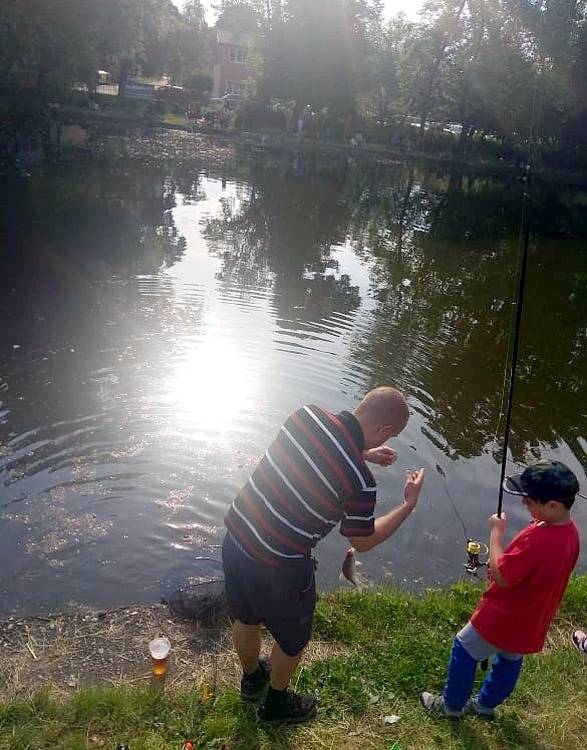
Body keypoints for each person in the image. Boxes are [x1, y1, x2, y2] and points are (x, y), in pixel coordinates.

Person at [222, 387, 425, 724]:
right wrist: (408, 504)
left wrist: (364, 454)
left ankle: (251, 679)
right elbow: (362, 541)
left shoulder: (304, 416)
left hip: (238, 537)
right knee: (292, 642)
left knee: (246, 618)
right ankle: (275, 706)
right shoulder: (360, 481)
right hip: (280, 566)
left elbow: (315, 458)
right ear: (385, 432)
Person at [421, 459, 580, 719]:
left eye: (529, 500)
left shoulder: (540, 539)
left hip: (504, 616)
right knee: (510, 658)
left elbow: (502, 575)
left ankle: (450, 707)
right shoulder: (571, 532)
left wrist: (496, 533)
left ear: (552, 506)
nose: (523, 503)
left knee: (464, 647)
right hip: (532, 618)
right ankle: (485, 705)